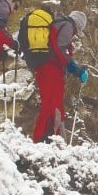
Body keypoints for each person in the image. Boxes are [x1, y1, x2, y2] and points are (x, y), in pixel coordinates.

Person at [32, 10, 89, 143]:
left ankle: (48, 137)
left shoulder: (59, 24)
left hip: (46, 68)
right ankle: (45, 139)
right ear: (78, 25)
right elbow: (60, 49)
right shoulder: (68, 26)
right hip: (52, 69)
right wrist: (76, 70)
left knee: (51, 103)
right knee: (52, 104)